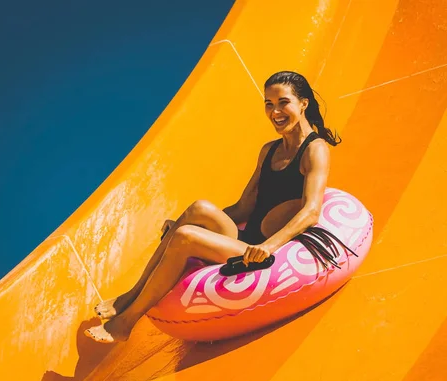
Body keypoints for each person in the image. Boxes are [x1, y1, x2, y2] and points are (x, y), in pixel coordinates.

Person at [85, 71, 341, 343]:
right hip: (246, 239)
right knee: (198, 208)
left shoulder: (315, 149)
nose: (275, 111)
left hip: (269, 251)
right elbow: (243, 207)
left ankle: (125, 322)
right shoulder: (269, 150)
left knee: (186, 238)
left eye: (283, 102)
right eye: (268, 103)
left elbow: (311, 211)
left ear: (303, 103)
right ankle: (131, 294)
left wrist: (268, 246)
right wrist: (187, 221)